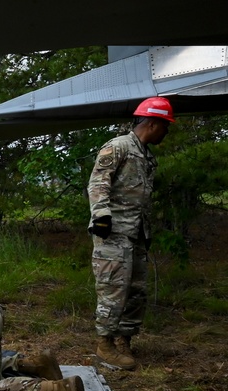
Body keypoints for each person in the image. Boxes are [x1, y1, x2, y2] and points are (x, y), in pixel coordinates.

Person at [87, 97, 174, 370]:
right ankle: (104, 345)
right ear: (153, 122)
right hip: (113, 232)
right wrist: (101, 215)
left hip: (136, 234)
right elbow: (98, 181)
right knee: (112, 289)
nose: (167, 132)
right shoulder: (118, 146)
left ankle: (124, 339)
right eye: (165, 126)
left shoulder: (147, 155)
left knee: (136, 291)